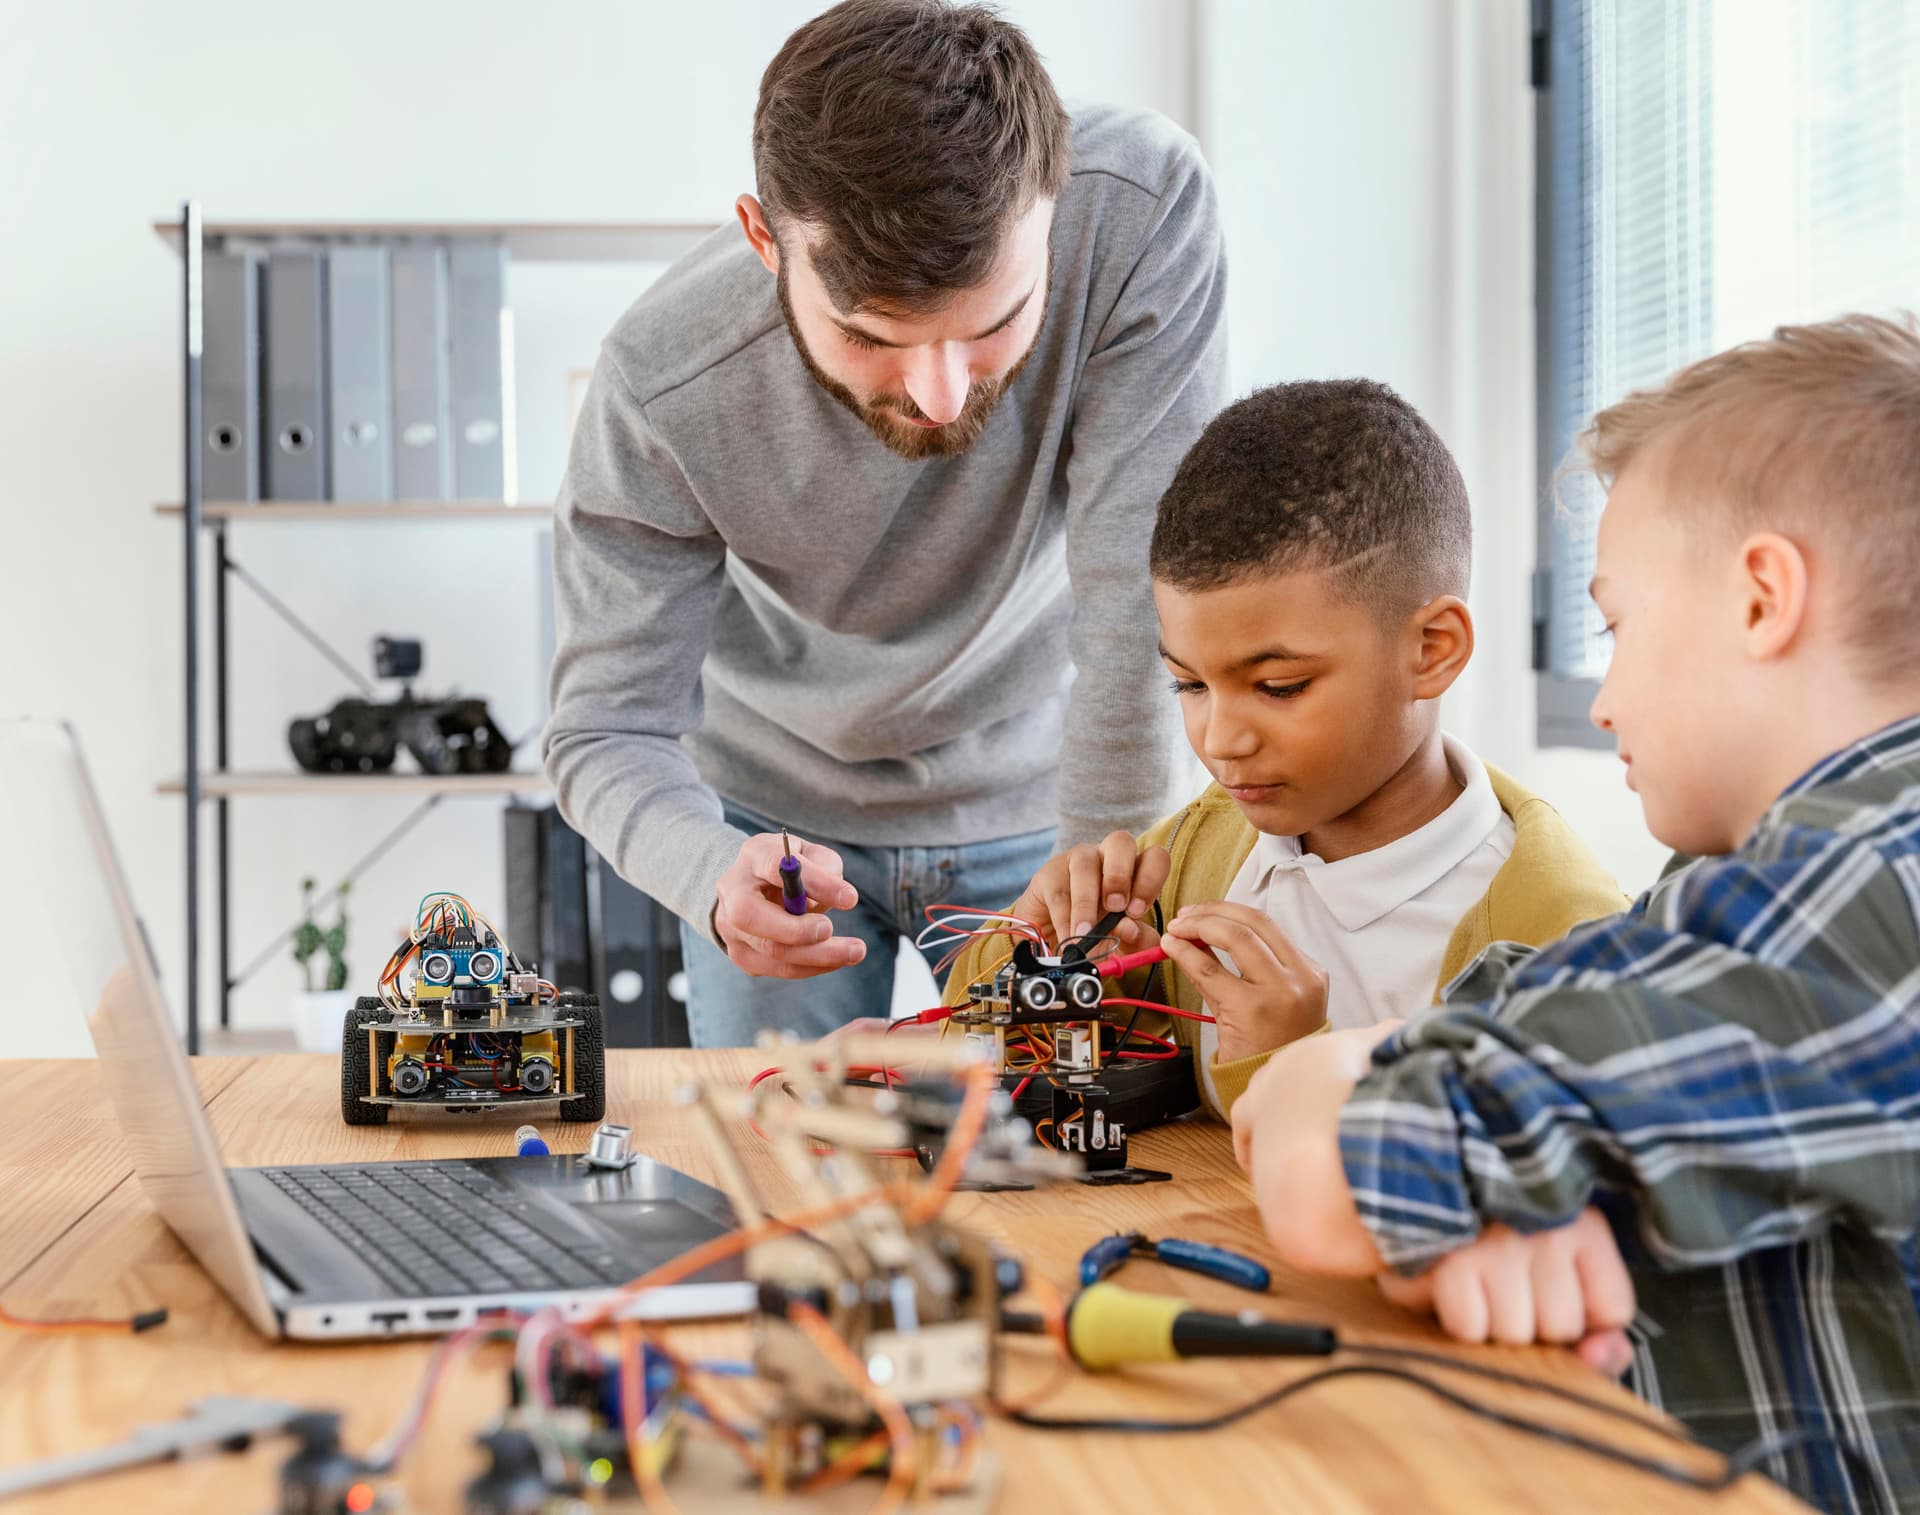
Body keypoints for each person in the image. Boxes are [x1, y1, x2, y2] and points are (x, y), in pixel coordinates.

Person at [1233, 315, 1920, 1513]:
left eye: (1617, 625)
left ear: (1762, 599)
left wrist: (1345, 1087)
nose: (1602, 703)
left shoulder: (1861, 889)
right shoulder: (1742, 884)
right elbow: (1492, 1023)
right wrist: (1479, 1181)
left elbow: (1324, 1171)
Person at [543, 0, 1227, 1046]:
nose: (942, 397)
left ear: (1056, 211)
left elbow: (1142, 596)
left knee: (1081, 1121)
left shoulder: (1139, 209)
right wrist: (711, 872)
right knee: (782, 1140)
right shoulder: (660, 381)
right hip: (773, 824)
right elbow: (604, 726)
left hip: (1046, 794)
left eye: (996, 322)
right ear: (765, 241)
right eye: (873, 337)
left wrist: (1101, 870)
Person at [940, 379, 1624, 1116]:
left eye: (1278, 686)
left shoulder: (1565, 941)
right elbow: (959, 1043)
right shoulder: (1204, 848)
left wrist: (1288, 1068)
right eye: (1189, 685)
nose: (1219, 741)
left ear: (1431, 650)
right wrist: (1041, 961)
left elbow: (1531, 1175)